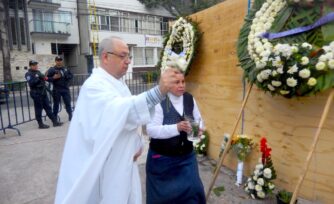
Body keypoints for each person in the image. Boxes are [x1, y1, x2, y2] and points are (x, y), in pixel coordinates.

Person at [55, 36, 180, 204]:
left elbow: (131, 120)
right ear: (106, 57)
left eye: (129, 56)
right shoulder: (94, 86)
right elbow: (123, 112)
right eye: (123, 56)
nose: (128, 61)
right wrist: (159, 92)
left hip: (123, 162)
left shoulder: (118, 84)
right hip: (105, 168)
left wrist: (137, 144)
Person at [146, 62, 206, 204]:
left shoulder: (189, 98)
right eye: (176, 82)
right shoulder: (159, 101)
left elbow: (198, 120)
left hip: (187, 158)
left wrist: (200, 130)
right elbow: (151, 130)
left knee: (193, 191)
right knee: (164, 198)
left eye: (183, 81)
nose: (181, 85)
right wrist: (177, 128)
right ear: (167, 84)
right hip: (162, 160)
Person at [25, 60, 63, 128]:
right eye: (34, 65)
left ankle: (55, 122)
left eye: (36, 65)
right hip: (36, 93)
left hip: (43, 92)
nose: (36, 66)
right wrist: (38, 78)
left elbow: (45, 78)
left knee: (48, 107)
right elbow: (31, 83)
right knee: (38, 109)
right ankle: (40, 124)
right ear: (30, 66)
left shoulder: (38, 72)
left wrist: (53, 78)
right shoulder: (28, 74)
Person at [47, 56, 73, 121]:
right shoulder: (52, 69)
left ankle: (70, 116)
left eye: (60, 60)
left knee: (68, 103)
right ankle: (55, 118)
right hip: (56, 89)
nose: (59, 61)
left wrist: (66, 76)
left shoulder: (66, 69)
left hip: (65, 89)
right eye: (58, 60)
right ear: (55, 61)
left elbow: (71, 76)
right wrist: (53, 78)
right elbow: (47, 78)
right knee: (56, 105)